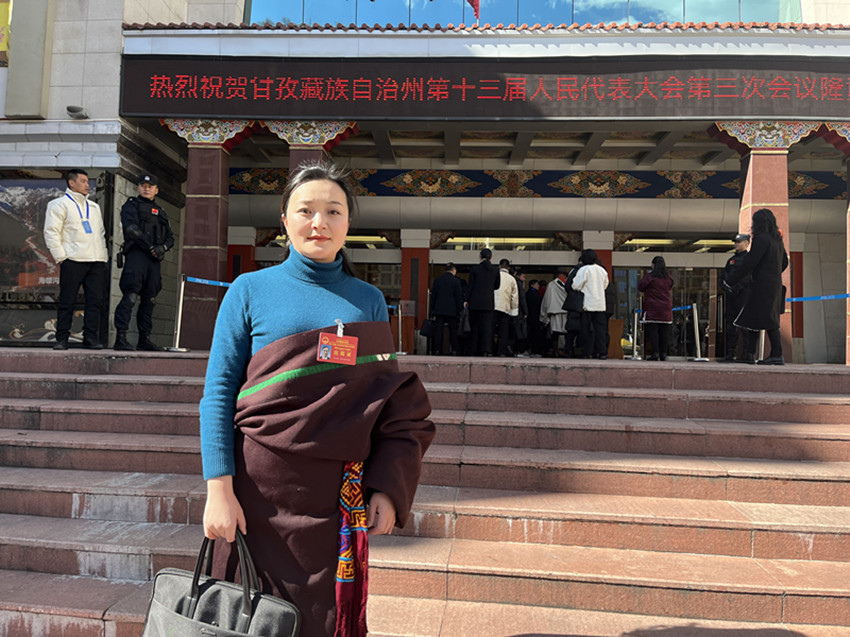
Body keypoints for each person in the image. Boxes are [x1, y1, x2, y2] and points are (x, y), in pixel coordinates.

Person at [200, 161, 435, 637]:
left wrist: (387, 487)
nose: (319, 223)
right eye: (306, 210)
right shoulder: (249, 290)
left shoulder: (368, 300)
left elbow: (387, 403)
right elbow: (218, 393)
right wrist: (218, 491)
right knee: (249, 617)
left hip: (335, 498)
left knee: (324, 618)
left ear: (348, 223)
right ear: (284, 221)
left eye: (333, 211)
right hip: (256, 493)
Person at [43, 169, 108, 350]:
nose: (88, 184)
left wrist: (103, 256)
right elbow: (51, 232)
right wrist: (61, 257)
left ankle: (90, 338)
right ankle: (62, 338)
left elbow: (100, 233)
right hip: (72, 260)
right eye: (83, 181)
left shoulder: (94, 207)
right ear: (72, 183)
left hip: (96, 261)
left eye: (88, 181)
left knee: (95, 301)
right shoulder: (59, 204)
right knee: (67, 300)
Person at [113, 174, 175, 351]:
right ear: (138, 187)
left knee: (150, 299)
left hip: (154, 260)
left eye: (150, 186)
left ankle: (144, 339)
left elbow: (170, 237)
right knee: (130, 296)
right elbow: (132, 230)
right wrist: (150, 247)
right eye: (143, 185)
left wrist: (162, 248)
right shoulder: (131, 205)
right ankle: (120, 338)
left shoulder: (161, 212)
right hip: (137, 256)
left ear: (156, 190)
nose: (146, 188)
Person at [724, 208, 789, 365]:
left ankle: (776, 354)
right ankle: (749, 353)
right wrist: (773, 273)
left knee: (769, 321)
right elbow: (785, 262)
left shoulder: (761, 239)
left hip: (761, 286)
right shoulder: (777, 240)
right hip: (774, 285)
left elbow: (750, 262)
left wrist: (731, 280)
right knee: (752, 318)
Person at [718, 233, 752, 362]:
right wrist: (725, 287)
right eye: (735, 242)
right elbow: (723, 276)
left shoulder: (749, 259)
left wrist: (736, 288)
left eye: (739, 242)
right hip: (731, 297)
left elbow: (749, 277)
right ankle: (730, 353)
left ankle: (747, 354)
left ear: (746, 243)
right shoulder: (731, 260)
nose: (736, 244)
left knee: (745, 326)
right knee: (730, 325)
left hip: (744, 296)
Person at [571, 249, 610, 359]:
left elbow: (575, 285)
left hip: (587, 304)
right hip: (600, 304)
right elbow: (605, 285)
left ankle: (586, 351)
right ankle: (602, 352)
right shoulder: (602, 270)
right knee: (601, 329)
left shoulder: (584, 270)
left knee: (585, 329)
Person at [465, 247, 500, 355]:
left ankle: (473, 349)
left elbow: (470, 286)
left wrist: (466, 299)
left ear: (480, 256)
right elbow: (497, 286)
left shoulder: (475, 269)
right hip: (488, 302)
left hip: (475, 302)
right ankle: (486, 350)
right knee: (487, 328)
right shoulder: (495, 270)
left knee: (475, 327)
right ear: (491, 257)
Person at [638, 256, 674, 360]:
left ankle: (655, 352)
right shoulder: (669, 278)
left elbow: (641, 287)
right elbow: (671, 286)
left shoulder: (650, 277)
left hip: (652, 308)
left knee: (653, 331)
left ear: (653, 265)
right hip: (665, 308)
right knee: (664, 332)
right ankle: (664, 353)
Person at [429, 262, 463, 355]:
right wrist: (459, 310)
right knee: (453, 331)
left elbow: (433, 296)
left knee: (438, 330)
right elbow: (458, 297)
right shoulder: (456, 281)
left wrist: (433, 309)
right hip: (452, 310)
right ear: (453, 270)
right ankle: (455, 350)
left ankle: (437, 350)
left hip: (439, 310)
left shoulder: (437, 281)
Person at [539, 267, 570, 357]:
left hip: (554, 311)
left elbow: (546, 300)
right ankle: (567, 351)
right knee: (567, 332)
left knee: (555, 333)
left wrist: (544, 314)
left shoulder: (552, 285)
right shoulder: (569, 284)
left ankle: (555, 351)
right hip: (567, 312)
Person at [493, 258, 519, 356]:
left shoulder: (494, 275)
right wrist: (514, 311)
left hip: (493, 306)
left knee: (491, 329)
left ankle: (490, 350)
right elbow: (514, 296)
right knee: (504, 331)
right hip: (505, 307)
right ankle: (502, 351)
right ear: (508, 268)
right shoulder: (512, 279)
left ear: (499, 266)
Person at [525, 279, 544, 356]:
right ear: (532, 285)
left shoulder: (528, 293)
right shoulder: (534, 294)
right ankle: (535, 350)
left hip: (531, 317)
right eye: (537, 284)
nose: (538, 286)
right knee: (535, 334)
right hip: (535, 317)